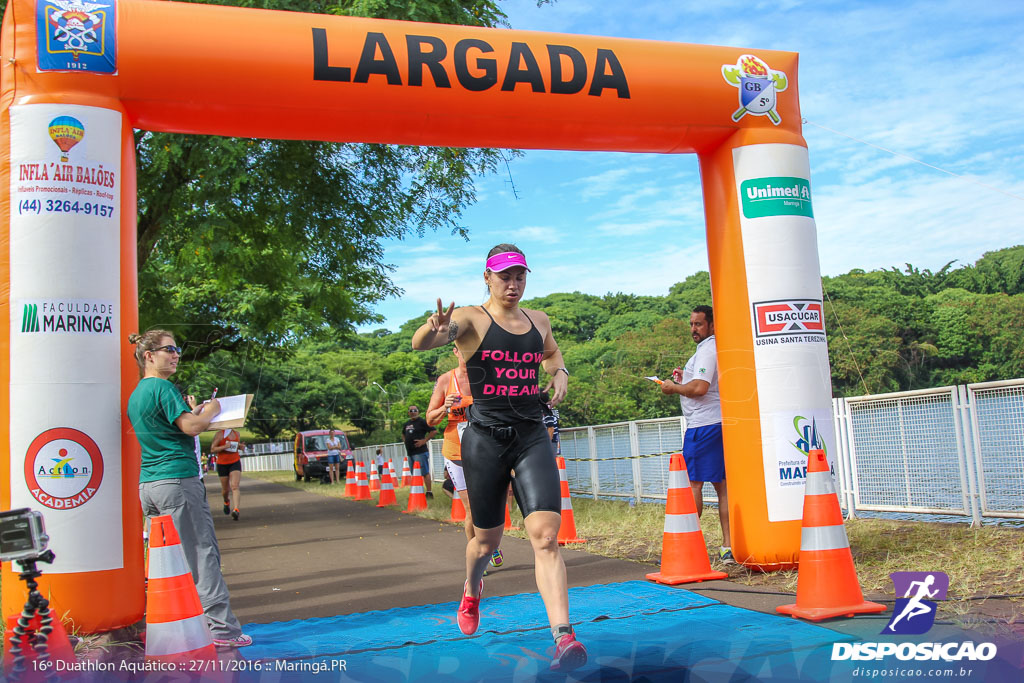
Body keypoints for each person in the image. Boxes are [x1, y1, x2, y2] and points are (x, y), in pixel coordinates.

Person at [411, 243, 587, 671]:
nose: (513, 284)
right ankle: (471, 589)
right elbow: (422, 343)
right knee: (486, 541)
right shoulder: (471, 318)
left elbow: (552, 353)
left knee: (545, 536)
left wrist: (560, 372)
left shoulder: (538, 320)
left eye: (520, 276)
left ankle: (564, 637)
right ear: (487, 278)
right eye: (504, 276)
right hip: (484, 438)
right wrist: (432, 328)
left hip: (531, 434)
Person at [126, 330, 252, 648]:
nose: (176, 354)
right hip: (177, 480)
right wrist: (212, 409)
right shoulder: (163, 387)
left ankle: (175, 627)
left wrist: (193, 415)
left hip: (150, 484)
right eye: (169, 349)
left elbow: (171, 428)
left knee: (165, 562)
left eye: (177, 349)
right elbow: (191, 427)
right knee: (201, 553)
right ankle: (222, 630)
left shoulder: (138, 393)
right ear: (148, 355)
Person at [658, 304, 733, 564]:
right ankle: (728, 546)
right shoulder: (710, 349)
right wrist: (682, 379)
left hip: (704, 425)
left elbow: (700, 387)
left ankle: (689, 546)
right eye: (691, 324)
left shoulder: (709, 349)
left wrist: (673, 388)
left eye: (698, 324)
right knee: (723, 487)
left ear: (712, 325)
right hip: (716, 422)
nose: (693, 329)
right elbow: (700, 382)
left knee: (692, 484)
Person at [425, 347, 504, 568]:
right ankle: (477, 556)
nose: (470, 355)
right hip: (456, 451)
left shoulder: (489, 378)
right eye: (464, 351)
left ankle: (490, 542)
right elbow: (430, 419)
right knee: (471, 508)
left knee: (488, 504)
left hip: (485, 449)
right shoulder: (445, 380)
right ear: (456, 352)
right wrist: (445, 407)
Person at [402, 405, 436, 498]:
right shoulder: (407, 423)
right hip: (410, 453)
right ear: (408, 413)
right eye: (411, 411)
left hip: (420, 452)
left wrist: (424, 440)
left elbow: (433, 431)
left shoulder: (422, 422)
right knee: (415, 474)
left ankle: (429, 492)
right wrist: (406, 442)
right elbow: (403, 434)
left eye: (415, 410)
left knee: (424, 472)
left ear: (418, 411)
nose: (413, 412)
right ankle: (418, 492)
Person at [211, 427, 245, 520]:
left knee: (235, 486)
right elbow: (213, 449)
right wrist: (225, 447)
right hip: (222, 464)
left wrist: (241, 447)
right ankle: (226, 501)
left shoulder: (237, 434)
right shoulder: (220, 434)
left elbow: (235, 446)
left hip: (235, 461)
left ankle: (236, 510)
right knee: (226, 490)